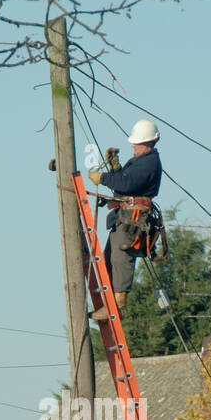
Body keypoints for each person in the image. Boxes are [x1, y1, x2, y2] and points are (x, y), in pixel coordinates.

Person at [88, 118, 161, 321]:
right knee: (110, 257)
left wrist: (103, 177)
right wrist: (115, 169)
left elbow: (127, 184)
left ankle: (118, 306)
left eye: (136, 143)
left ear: (146, 143)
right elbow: (122, 185)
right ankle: (109, 303)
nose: (133, 145)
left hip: (133, 218)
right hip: (125, 216)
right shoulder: (140, 161)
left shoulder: (149, 162)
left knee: (121, 256)